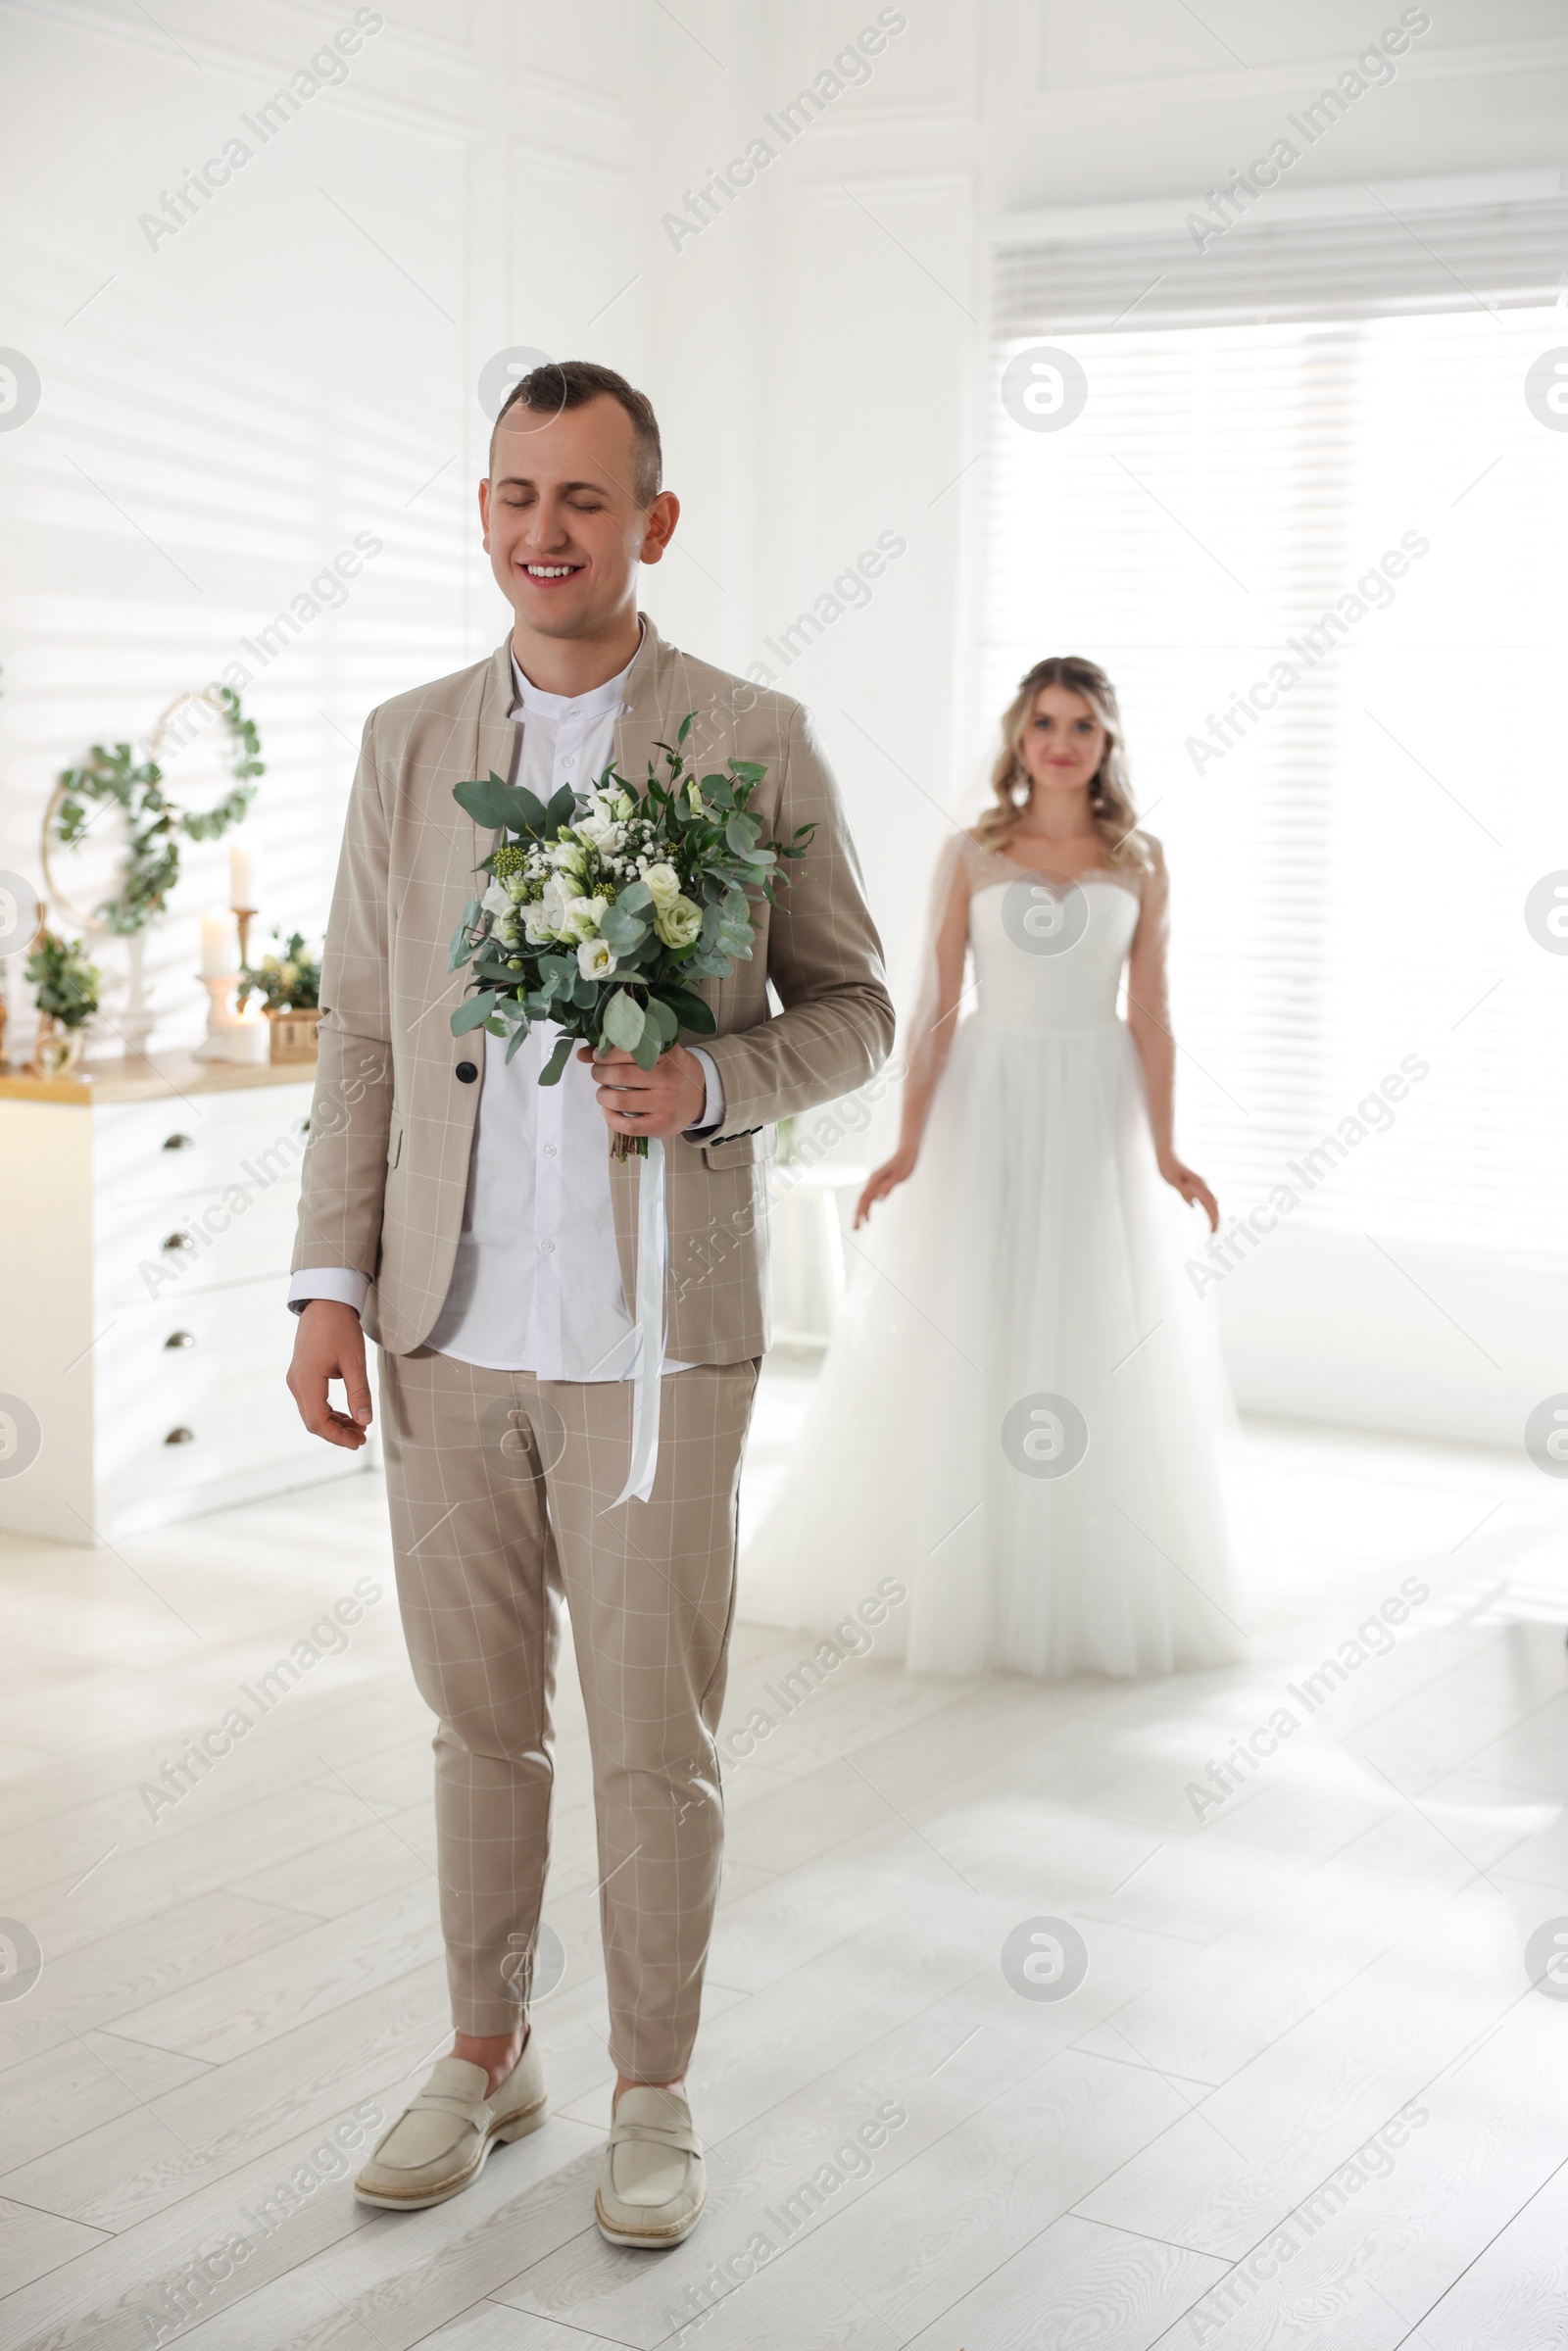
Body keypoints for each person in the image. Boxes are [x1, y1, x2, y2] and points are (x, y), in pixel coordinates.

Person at [284, 361, 894, 2248]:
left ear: (655, 523)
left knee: (653, 1733)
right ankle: (486, 2049)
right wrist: (327, 1284)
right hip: (442, 1325)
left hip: (654, 1334)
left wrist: (708, 1081)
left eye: (585, 498)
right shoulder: (405, 743)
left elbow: (859, 1007)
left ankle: (653, 2088)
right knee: (478, 1724)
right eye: (515, 493)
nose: (545, 531)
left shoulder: (752, 736)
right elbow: (368, 1039)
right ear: (483, 509)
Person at [741, 655, 1249, 1682]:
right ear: (1020, 738)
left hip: (1092, 1102)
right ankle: (946, 1567)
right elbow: (933, 1005)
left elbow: (1150, 1013)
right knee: (973, 1317)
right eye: (1044, 723)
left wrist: (1164, 1148)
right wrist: (907, 1145)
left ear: (1106, 744)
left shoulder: (1137, 858)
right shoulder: (972, 852)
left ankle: (1072, 1575)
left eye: (1083, 726)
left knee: (1086, 1325)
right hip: (989, 1096)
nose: (1061, 742)